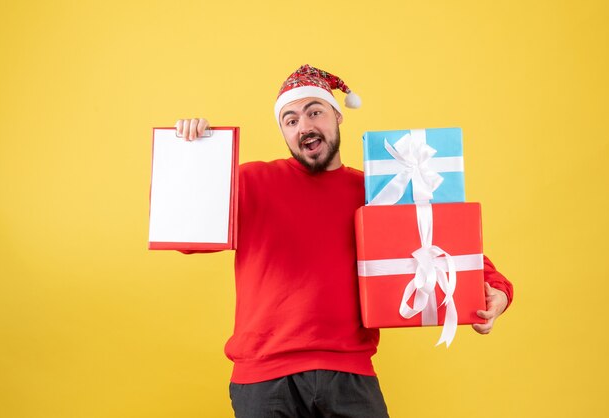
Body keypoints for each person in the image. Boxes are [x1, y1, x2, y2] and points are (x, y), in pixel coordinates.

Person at [175, 64, 513, 418]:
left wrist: (496, 289)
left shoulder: (380, 191)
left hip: (349, 375)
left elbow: (447, 245)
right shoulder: (251, 182)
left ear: (337, 116)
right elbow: (184, 232)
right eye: (290, 121)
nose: (304, 126)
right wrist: (192, 155)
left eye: (314, 112)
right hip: (263, 380)